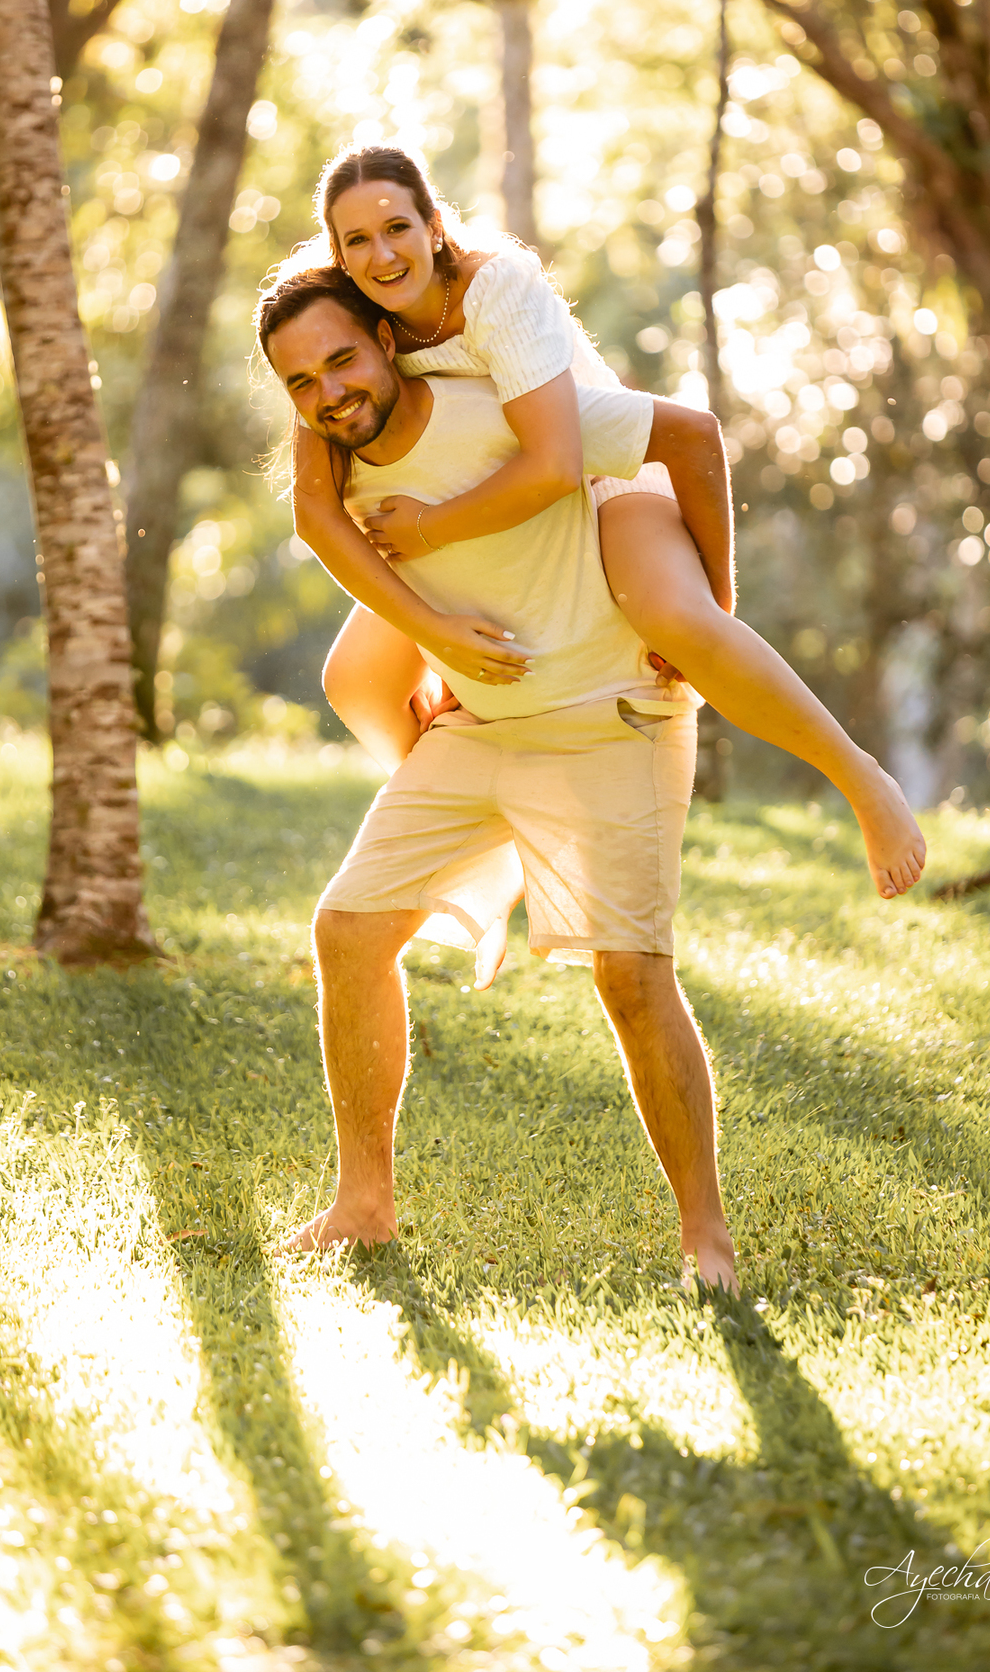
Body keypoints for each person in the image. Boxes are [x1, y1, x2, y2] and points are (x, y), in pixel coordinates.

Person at [285, 145, 926, 943]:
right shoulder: (340, 338)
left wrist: (714, 600)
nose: (381, 254)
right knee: (354, 679)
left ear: (435, 224)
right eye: (356, 241)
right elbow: (314, 512)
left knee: (672, 615)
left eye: (396, 228)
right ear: (337, 253)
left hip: (603, 476)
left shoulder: (497, 288)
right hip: (479, 498)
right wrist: (432, 630)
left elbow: (558, 466)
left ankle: (861, 780)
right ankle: (478, 821)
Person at [257, 263, 738, 1294]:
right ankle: (363, 1205)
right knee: (346, 931)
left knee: (630, 976)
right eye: (302, 382)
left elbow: (688, 436)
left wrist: (705, 621)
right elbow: (321, 520)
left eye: (342, 358)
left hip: (610, 714)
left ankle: (707, 1239)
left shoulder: (509, 408)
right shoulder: (337, 459)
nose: (330, 390)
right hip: (481, 726)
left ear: (390, 341)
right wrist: (436, 652)